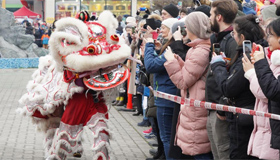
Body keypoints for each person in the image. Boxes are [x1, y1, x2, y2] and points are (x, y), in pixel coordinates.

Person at [210, 14, 265, 159]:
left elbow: (229, 87)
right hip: (248, 117)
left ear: (241, 37)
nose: (232, 36)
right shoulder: (255, 51)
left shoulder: (250, 56)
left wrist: (218, 66)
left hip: (244, 119)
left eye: (234, 33)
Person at [164, 12, 212, 159]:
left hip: (196, 112)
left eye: (187, 26)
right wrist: (177, 60)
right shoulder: (195, 49)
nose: (184, 29)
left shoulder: (200, 51)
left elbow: (183, 81)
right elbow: (190, 73)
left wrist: (171, 62)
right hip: (193, 109)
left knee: (198, 150)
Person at [242, 18, 279, 160]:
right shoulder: (271, 57)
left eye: (270, 35)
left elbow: (269, 92)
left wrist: (251, 73)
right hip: (266, 131)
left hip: (272, 132)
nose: (267, 39)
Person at [206, 0, 238, 159]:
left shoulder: (232, 41)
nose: (209, 18)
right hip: (212, 105)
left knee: (223, 150)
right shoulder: (217, 38)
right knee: (216, 151)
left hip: (221, 110)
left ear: (218, 17)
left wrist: (222, 106)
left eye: (211, 14)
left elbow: (234, 77)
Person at [144, 18, 178, 160]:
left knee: (167, 138)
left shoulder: (174, 49)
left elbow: (151, 65)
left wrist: (149, 46)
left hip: (166, 97)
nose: (160, 30)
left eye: (164, 28)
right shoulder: (171, 47)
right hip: (166, 95)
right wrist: (158, 49)